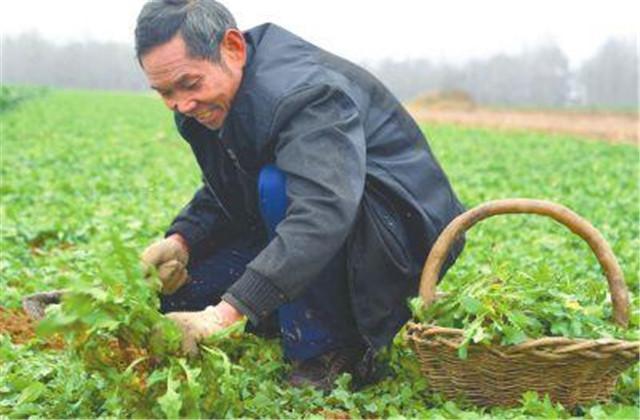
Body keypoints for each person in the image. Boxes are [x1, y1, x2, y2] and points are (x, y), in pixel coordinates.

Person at [136, 0, 465, 391]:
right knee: (179, 298)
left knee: (278, 186)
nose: (181, 104)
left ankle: (331, 347)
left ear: (233, 49)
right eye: (164, 92)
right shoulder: (206, 104)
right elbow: (228, 181)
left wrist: (225, 314)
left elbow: (321, 213)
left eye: (190, 84)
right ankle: (284, 310)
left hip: (398, 235)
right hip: (324, 217)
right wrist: (182, 239)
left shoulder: (306, 95)